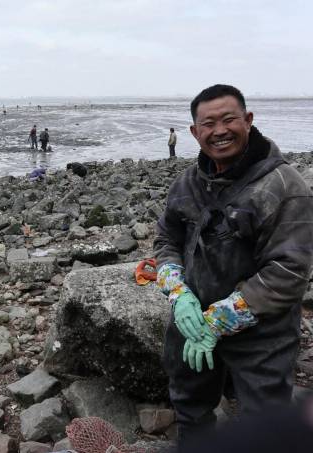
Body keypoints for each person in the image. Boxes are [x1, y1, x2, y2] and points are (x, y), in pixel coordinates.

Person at [153, 84, 313, 448]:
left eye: (229, 119)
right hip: (191, 325)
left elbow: (288, 273)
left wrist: (219, 320)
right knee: (189, 406)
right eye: (208, 123)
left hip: (262, 335)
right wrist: (178, 294)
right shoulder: (187, 184)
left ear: (249, 120)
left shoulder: (284, 186)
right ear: (195, 132)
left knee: (265, 421)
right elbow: (165, 241)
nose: (219, 130)